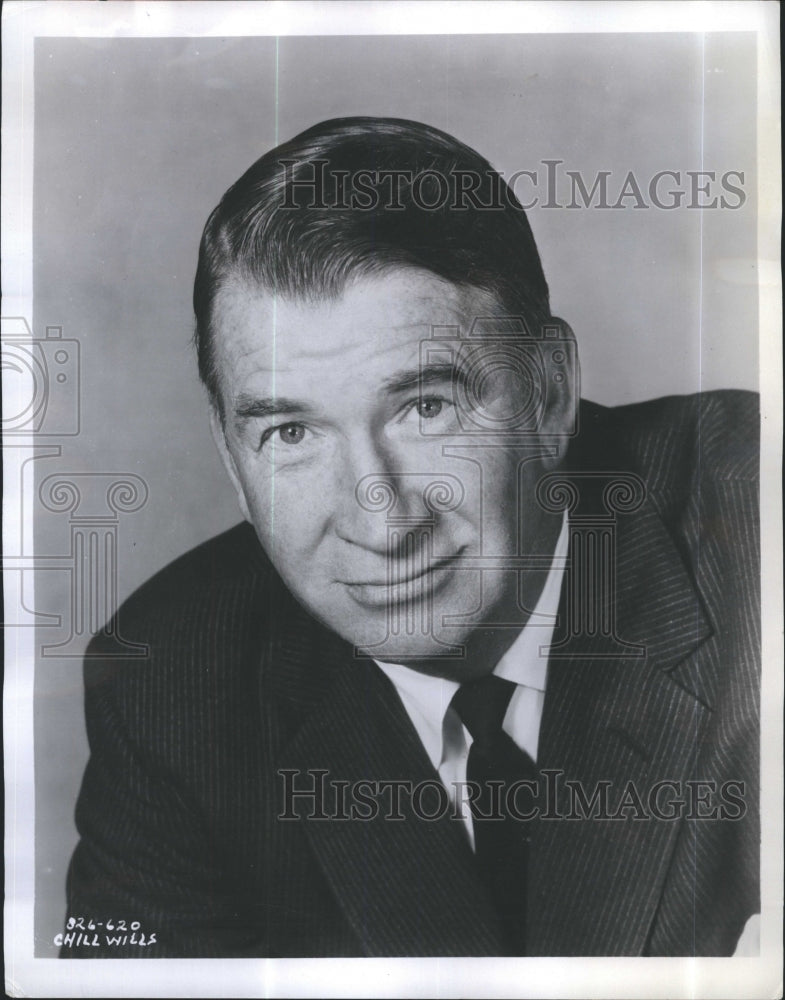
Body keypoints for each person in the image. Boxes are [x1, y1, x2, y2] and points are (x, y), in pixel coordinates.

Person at [62, 117, 759, 958]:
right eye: (290, 433)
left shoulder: (757, 534)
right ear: (230, 456)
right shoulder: (170, 686)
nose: (381, 522)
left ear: (547, 394)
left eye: (425, 408)